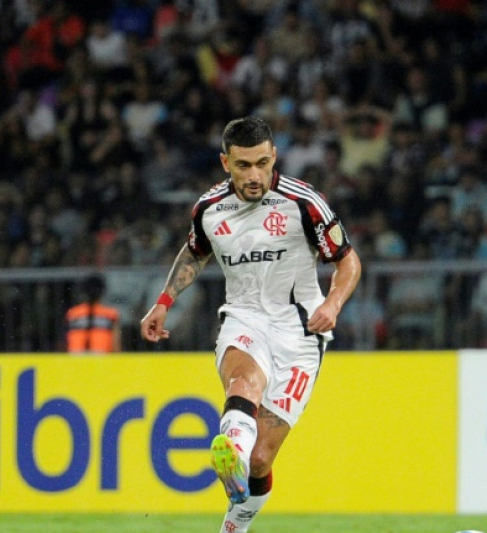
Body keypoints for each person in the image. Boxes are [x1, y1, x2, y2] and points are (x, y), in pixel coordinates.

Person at [140, 116, 361, 533]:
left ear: (274, 156)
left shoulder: (304, 203)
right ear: (226, 162)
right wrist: (164, 301)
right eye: (244, 166)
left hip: (301, 333)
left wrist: (333, 303)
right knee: (242, 384)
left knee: (262, 459)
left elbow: (347, 260)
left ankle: (235, 520)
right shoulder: (208, 209)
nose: (255, 175)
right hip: (244, 318)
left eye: (262, 163)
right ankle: (231, 453)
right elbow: (194, 253)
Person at [65, 274, 121, 354]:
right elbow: (116, 346)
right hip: (102, 358)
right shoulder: (111, 314)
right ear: (102, 292)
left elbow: (66, 342)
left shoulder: (73, 314)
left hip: (76, 358)